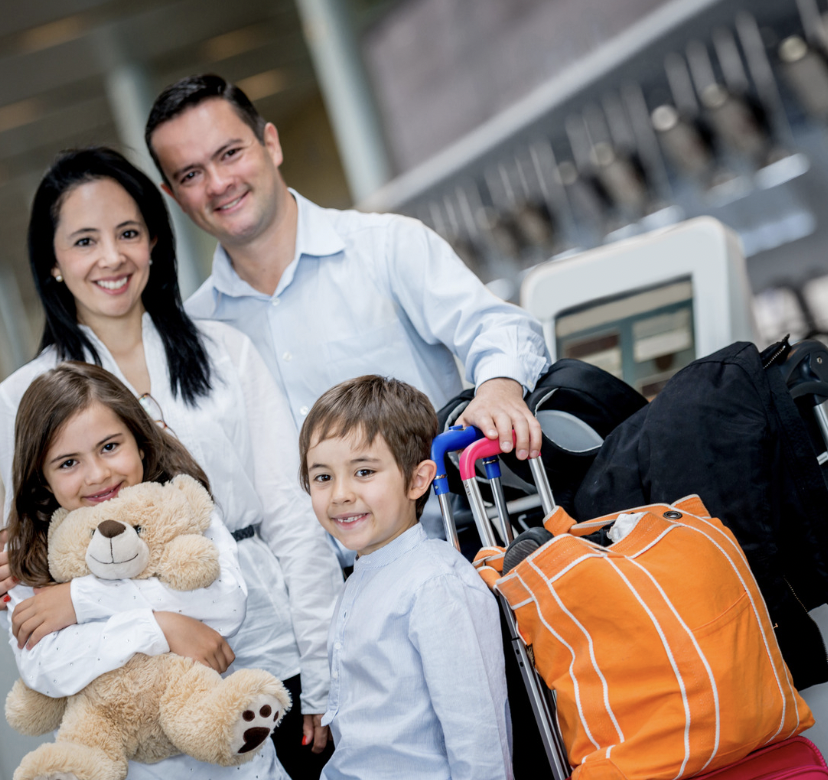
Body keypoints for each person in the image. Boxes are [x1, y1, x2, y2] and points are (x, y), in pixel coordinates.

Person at [0, 147, 343, 778]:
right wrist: (45, 583)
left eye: (127, 233)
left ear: (154, 240)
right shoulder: (25, 393)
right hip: (134, 683)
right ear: (53, 263)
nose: (111, 257)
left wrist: (322, 667)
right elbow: (40, 558)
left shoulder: (224, 351)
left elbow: (292, 515)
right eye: (84, 240)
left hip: (264, 643)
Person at [143, 74, 552, 547]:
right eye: (191, 174)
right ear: (173, 196)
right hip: (318, 598)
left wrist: (499, 389)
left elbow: (498, 325)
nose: (218, 184)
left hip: (453, 549)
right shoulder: (195, 335)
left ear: (270, 144)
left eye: (230, 153)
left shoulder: (386, 246)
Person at [0, 361, 250, 728]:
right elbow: (47, 668)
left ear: (141, 443)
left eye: (110, 446)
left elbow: (226, 606)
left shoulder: (182, 507)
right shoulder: (29, 555)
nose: (97, 474)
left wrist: (80, 601)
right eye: (68, 463)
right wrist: (163, 626)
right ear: (43, 480)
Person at [299, 375, 512, 779]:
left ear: (417, 479)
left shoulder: (435, 584)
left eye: (363, 472)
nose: (340, 493)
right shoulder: (361, 577)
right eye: (323, 477)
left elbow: (479, 737)